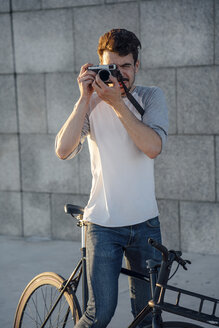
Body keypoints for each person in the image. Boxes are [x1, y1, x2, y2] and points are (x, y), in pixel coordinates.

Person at [55, 28, 168, 328]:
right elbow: (63, 150)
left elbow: (152, 147)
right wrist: (83, 99)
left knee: (148, 317)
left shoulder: (150, 97)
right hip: (103, 226)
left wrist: (118, 103)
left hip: (146, 225)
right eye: (111, 66)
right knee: (98, 315)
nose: (119, 74)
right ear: (99, 65)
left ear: (137, 66)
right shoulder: (91, 103)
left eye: (126, 66)